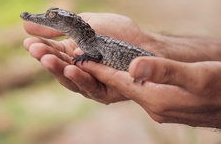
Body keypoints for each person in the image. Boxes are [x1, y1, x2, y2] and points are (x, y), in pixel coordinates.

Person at [22, 12, 221, 129]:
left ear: (70, 23)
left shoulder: (89, 43)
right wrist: (156, 43)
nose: (39, 18)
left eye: (54, 17)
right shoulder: (87, 39)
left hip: (145, 66)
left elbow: (96, 56)